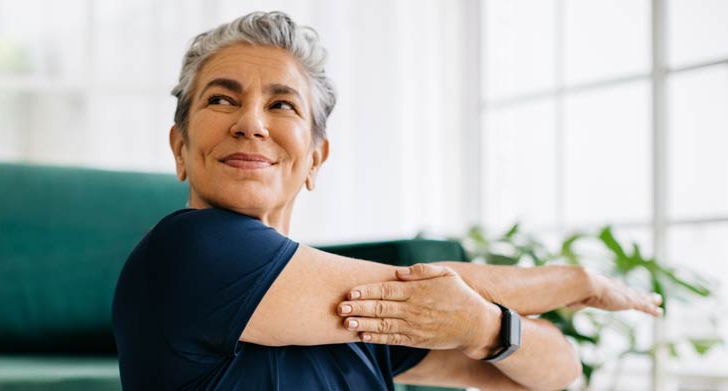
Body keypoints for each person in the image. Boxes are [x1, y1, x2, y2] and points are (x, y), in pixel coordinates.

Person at [111, 11, 663, 391]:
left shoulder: (355, 314)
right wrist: (577, 283)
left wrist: (485, 329)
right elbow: (414, 291)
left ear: (315, 160)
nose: (251, 123)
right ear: (180, 147)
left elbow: (557, 371)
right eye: (221, 98)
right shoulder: (183, 251)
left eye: (282, 105)